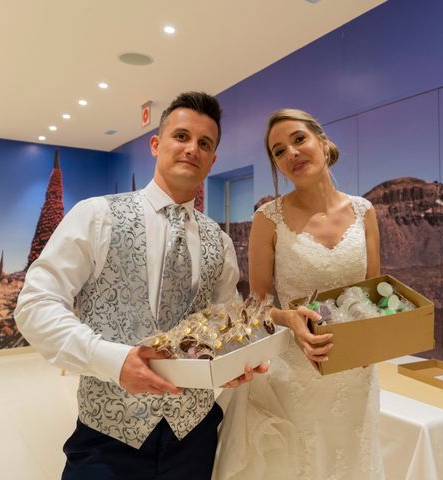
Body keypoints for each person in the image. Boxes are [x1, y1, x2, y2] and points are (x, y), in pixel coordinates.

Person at [15, 91, 264, 480]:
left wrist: (230, 364)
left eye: (205, 143)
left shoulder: (220, 241)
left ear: (213, 159)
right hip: (107, 438)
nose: (191, 149)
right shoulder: (97, 216)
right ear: (156, 144)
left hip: (194, 437)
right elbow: (35, 303)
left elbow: (224, 322)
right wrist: (110, 359)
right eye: (181, 136)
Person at [213, 109, 385, 479]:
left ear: (323, 143)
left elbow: (376, 289)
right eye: (278, 151)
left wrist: (373, 341)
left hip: (356, 372)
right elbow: (255, 307)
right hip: (295, 373)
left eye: (299, 139)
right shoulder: (268, 218)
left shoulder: (364, 211)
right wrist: (288, 318)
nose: (290, 153)